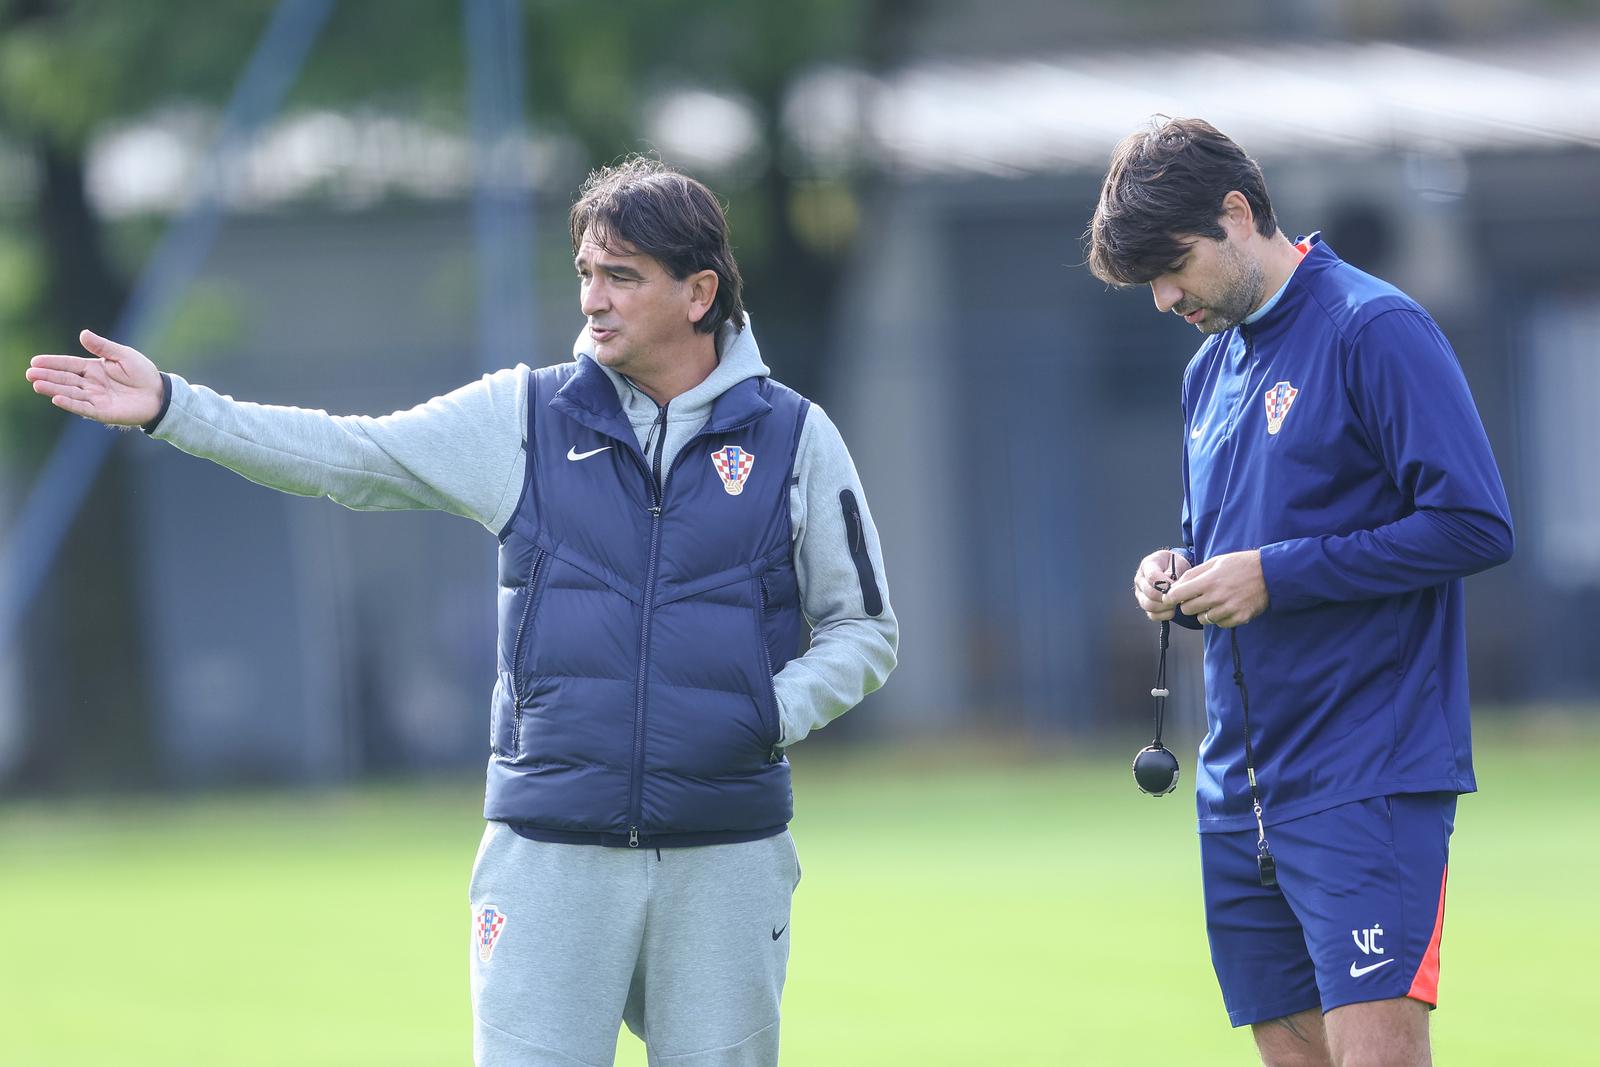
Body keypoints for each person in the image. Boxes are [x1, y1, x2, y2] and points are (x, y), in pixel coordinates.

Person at [26, 156, 898, 1067]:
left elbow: (865, 629)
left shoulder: (796, 437)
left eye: (622, 277)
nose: (592, 299)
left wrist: (769, 711)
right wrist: (176, 407)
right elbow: (349, 455)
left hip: (727, 850)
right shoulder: (522, 416)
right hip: (549, 849)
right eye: (586, 274)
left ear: (698, 292)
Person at [1086, 118, 1513, 1067]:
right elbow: (1229, 547)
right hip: (1238, 787)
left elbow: (1476, 523)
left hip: (1368, 774)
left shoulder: (1375, 327)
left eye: (1171, 266)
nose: (1162, 298)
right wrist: (1176, 572)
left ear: (1237, 213)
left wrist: (1276, 574)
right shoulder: (1210, 370)